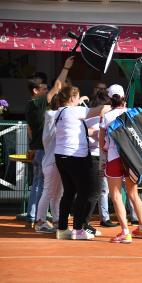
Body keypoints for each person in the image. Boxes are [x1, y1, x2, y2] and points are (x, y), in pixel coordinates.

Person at [54, 86, 111, 240]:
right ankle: (78, 229)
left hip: (61, 156)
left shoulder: (59, 111)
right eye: (77, 98)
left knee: (69, 192)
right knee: (86, 192)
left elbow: (78, 112)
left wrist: (79, 100)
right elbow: (100, 110)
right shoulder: (74, 111)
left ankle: (63, 228)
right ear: (73, 98)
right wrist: (116, 105)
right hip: (75, 156)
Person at [25, 56, 74, 227]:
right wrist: (66, 67)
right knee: (47, 189)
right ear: (35, 91)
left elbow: (29, 130)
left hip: (41, 150)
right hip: (46, 152)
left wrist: (32, 146)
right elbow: (58, 86)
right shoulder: (39, 106)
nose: (48, 91)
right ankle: (39, 220)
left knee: (48, 189)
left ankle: (44, 218)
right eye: (44, 88)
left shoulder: (34, 106)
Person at [99, 84, 142, 244]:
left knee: (115, 196)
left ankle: (125, 232)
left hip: (114, 158)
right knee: (133, 194)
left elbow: (102, 144)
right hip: (132, 159)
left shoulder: (106, 117)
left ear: (110, 99)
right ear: (123, 98)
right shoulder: (132, 113)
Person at [85, 89, 118, 228]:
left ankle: (103, 217)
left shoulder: (109, 119)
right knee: (99, 190)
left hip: (106, 156)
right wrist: (97, 133)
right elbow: (83, 132)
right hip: (93, 157)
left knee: (104, 190)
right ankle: (99, 218)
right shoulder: (91, 119)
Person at [34, 86, 63, 233]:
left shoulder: (54, 115)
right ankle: (40, 221)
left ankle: (56, 220)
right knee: (49, 192)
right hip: (52, 161)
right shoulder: (53, 115)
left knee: (57, 194)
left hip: (56, 161)